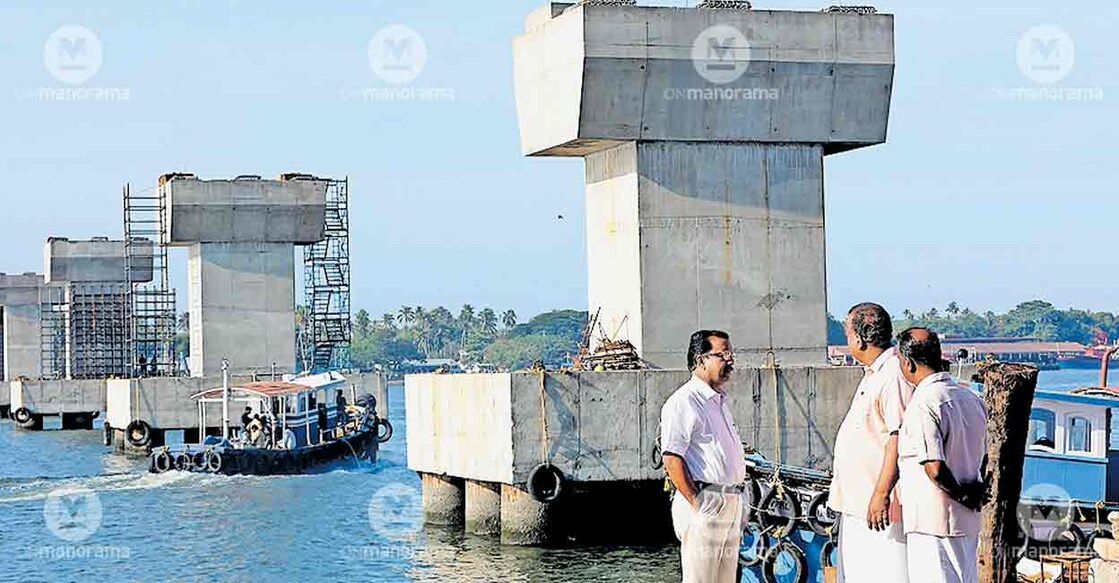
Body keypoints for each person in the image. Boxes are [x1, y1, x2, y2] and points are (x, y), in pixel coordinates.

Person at [829, 302, 913, 583]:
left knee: (885, 573)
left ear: (862, 338)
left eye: (849, 335)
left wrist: (880, 494)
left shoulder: (892, 375)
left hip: (880, 507)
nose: (848, 342)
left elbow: (898, 437)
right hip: (858, 504)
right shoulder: (875, 374)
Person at [896, 328, 987, 583]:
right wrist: (976, 492)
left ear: (908, 363)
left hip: (933, 521)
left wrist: (962, 495)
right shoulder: (971, 398)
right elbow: (987, 457)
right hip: (967, 521)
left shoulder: (925, 402)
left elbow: (934, 467)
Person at [660, 330, 745, 583]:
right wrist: (698, 504)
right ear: (700, 360)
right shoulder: (684, 401)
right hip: (707, 501)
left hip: (731, 501)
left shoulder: (718, 402)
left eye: (730, 354)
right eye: (722, 354)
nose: (729, 361)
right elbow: (672, 457)